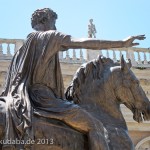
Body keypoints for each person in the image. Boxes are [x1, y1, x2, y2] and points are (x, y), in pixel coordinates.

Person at [1, 8, 145, 150]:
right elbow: (82, 42)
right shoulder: (49, 36)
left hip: (20, 98)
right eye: (53, 22)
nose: (55, 27)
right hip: (45, 100)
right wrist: (122, 43)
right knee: (95, 126)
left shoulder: (23, 48)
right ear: (45, 20)